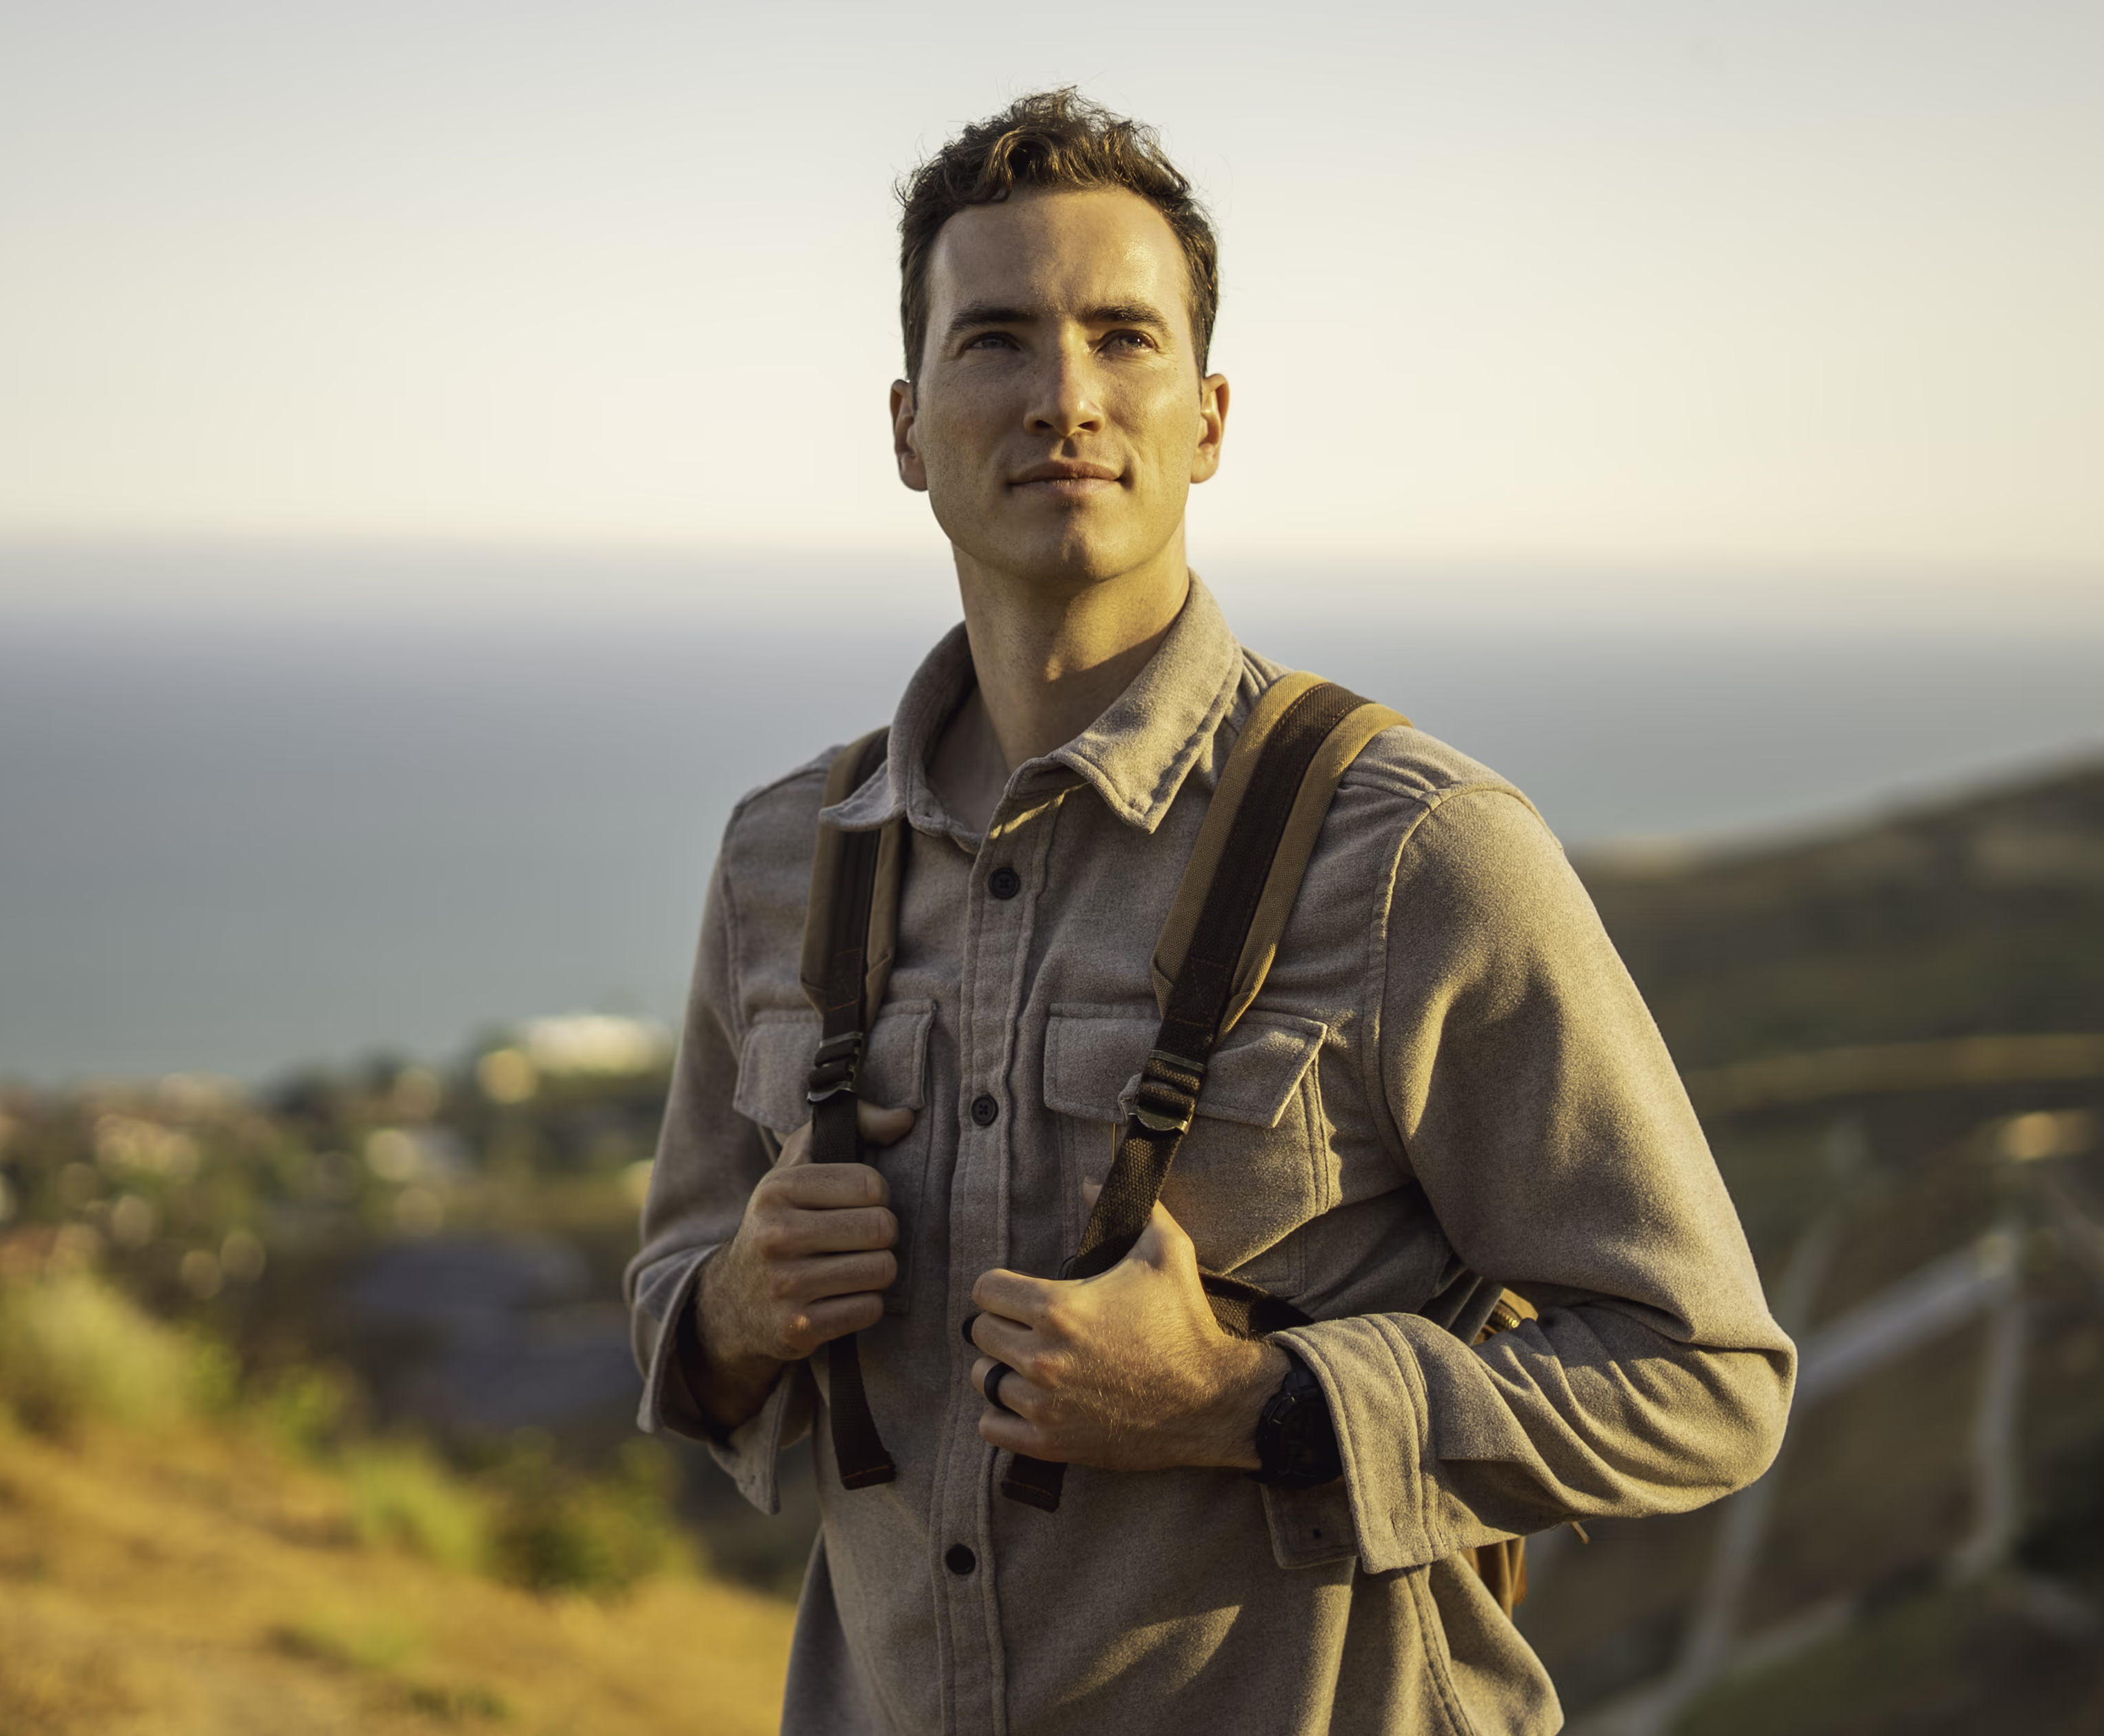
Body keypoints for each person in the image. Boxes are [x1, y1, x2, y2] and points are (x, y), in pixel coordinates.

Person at [625, 88, 1793, 1736]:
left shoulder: (1417, 850)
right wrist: (733, 1310)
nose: (1064, 397)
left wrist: (1246, 1399)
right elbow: (675, 1291)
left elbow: (1706, 1379)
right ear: (904, 426)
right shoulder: (784, 858)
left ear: (1208, 417)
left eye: (1123, 337)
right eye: (994, 341)